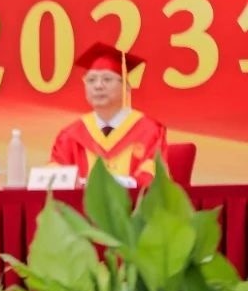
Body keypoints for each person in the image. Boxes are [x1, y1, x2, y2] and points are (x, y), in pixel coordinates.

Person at [50, 42, 167, 188]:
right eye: (91, 80)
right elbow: (53, 175)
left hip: (134, 202)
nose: (98, 86)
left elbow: (154, 176)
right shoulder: (70, 135)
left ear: (126, 87)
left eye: (107, 79)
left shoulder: (150, 131)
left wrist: (113, 184)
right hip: (82, 203)